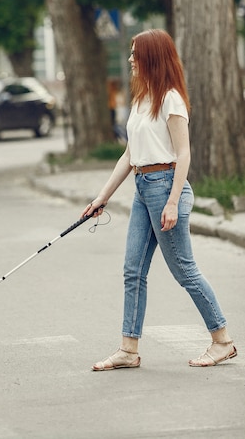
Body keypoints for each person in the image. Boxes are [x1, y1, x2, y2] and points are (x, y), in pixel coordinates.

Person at [83, 29, 237, 371]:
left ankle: (222, 341)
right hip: (142, 187)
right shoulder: (142, 99)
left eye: (135, 53)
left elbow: (183, 154)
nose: (130, 59)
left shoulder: (171, 99)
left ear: (152, 56)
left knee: (184, 270)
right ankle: (128, 350)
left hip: (166, 185)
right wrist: (101, 197)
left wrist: (171, 202)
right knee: (132, 270)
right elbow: (129, 154)